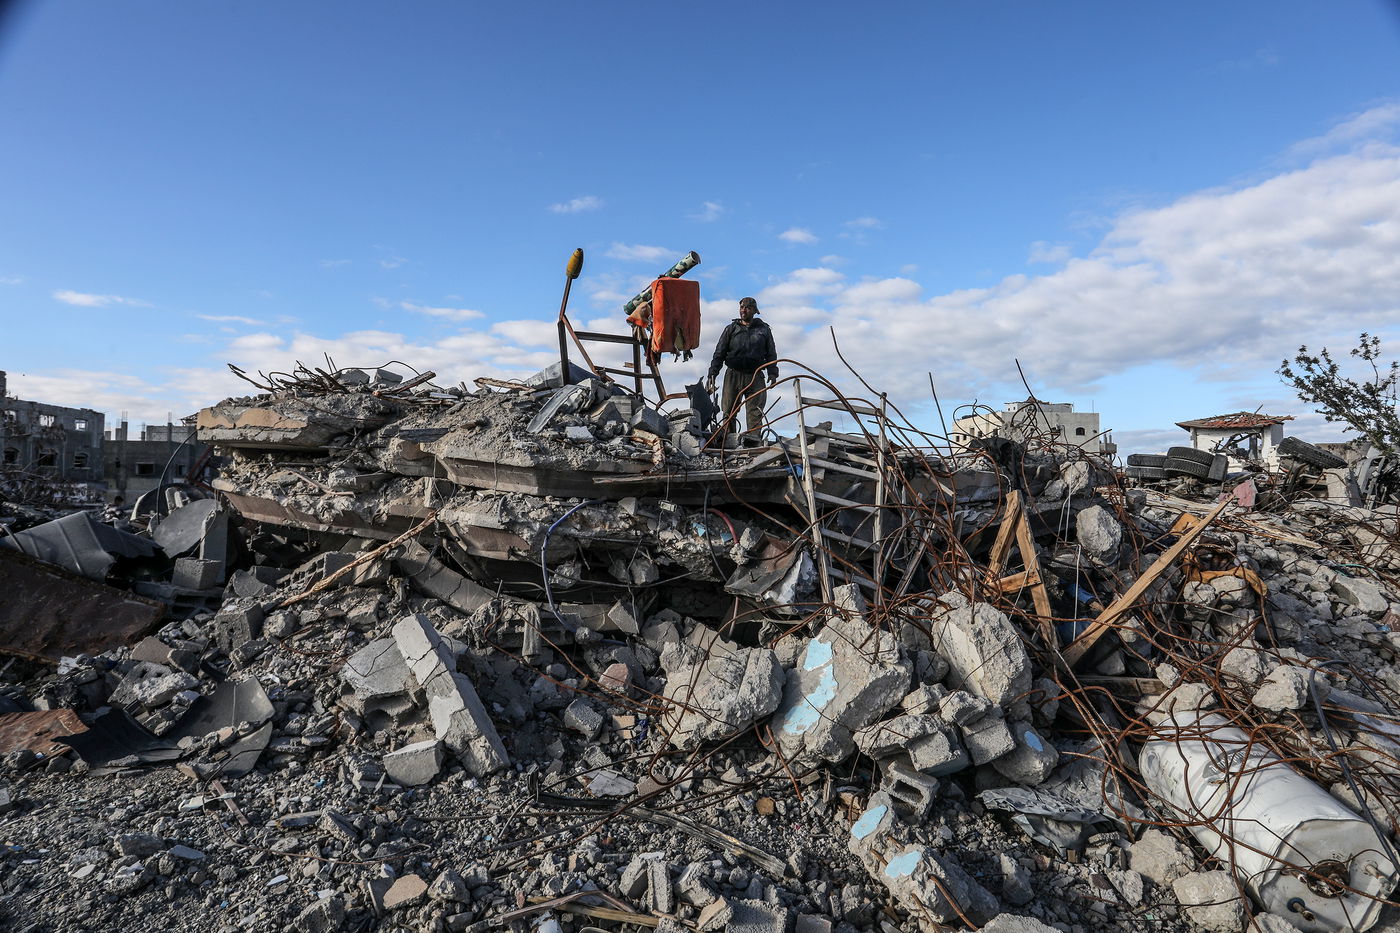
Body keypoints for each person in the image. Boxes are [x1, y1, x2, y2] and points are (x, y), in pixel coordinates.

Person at [705, 297, 777, 440]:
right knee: (728, 411)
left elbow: (771, 353)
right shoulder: (731, 329)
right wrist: (712, 373)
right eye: (742, 307)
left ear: (755, 311)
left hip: (755, 376)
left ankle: (753, 444)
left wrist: (773, 373)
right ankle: (729, 443)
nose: (744, 310)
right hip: (733, 375)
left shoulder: (764, 330)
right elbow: (719, 352)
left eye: (748, 308)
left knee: (755, 412)